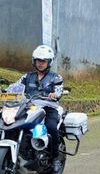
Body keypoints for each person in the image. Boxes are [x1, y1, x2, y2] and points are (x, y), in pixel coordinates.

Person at [15, 45, 64, 173]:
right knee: (16, 123)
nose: (40, 63)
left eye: (43, 61)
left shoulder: (56, 78)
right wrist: (3, 91)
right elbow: (16, 86)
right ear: (34, 61)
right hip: (30, 107)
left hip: (48, 108)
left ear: (49, 62)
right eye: (38, 61)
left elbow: (59, 91)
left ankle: (55, 159)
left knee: (52, 127)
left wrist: (55, 94)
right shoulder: (27, 77)